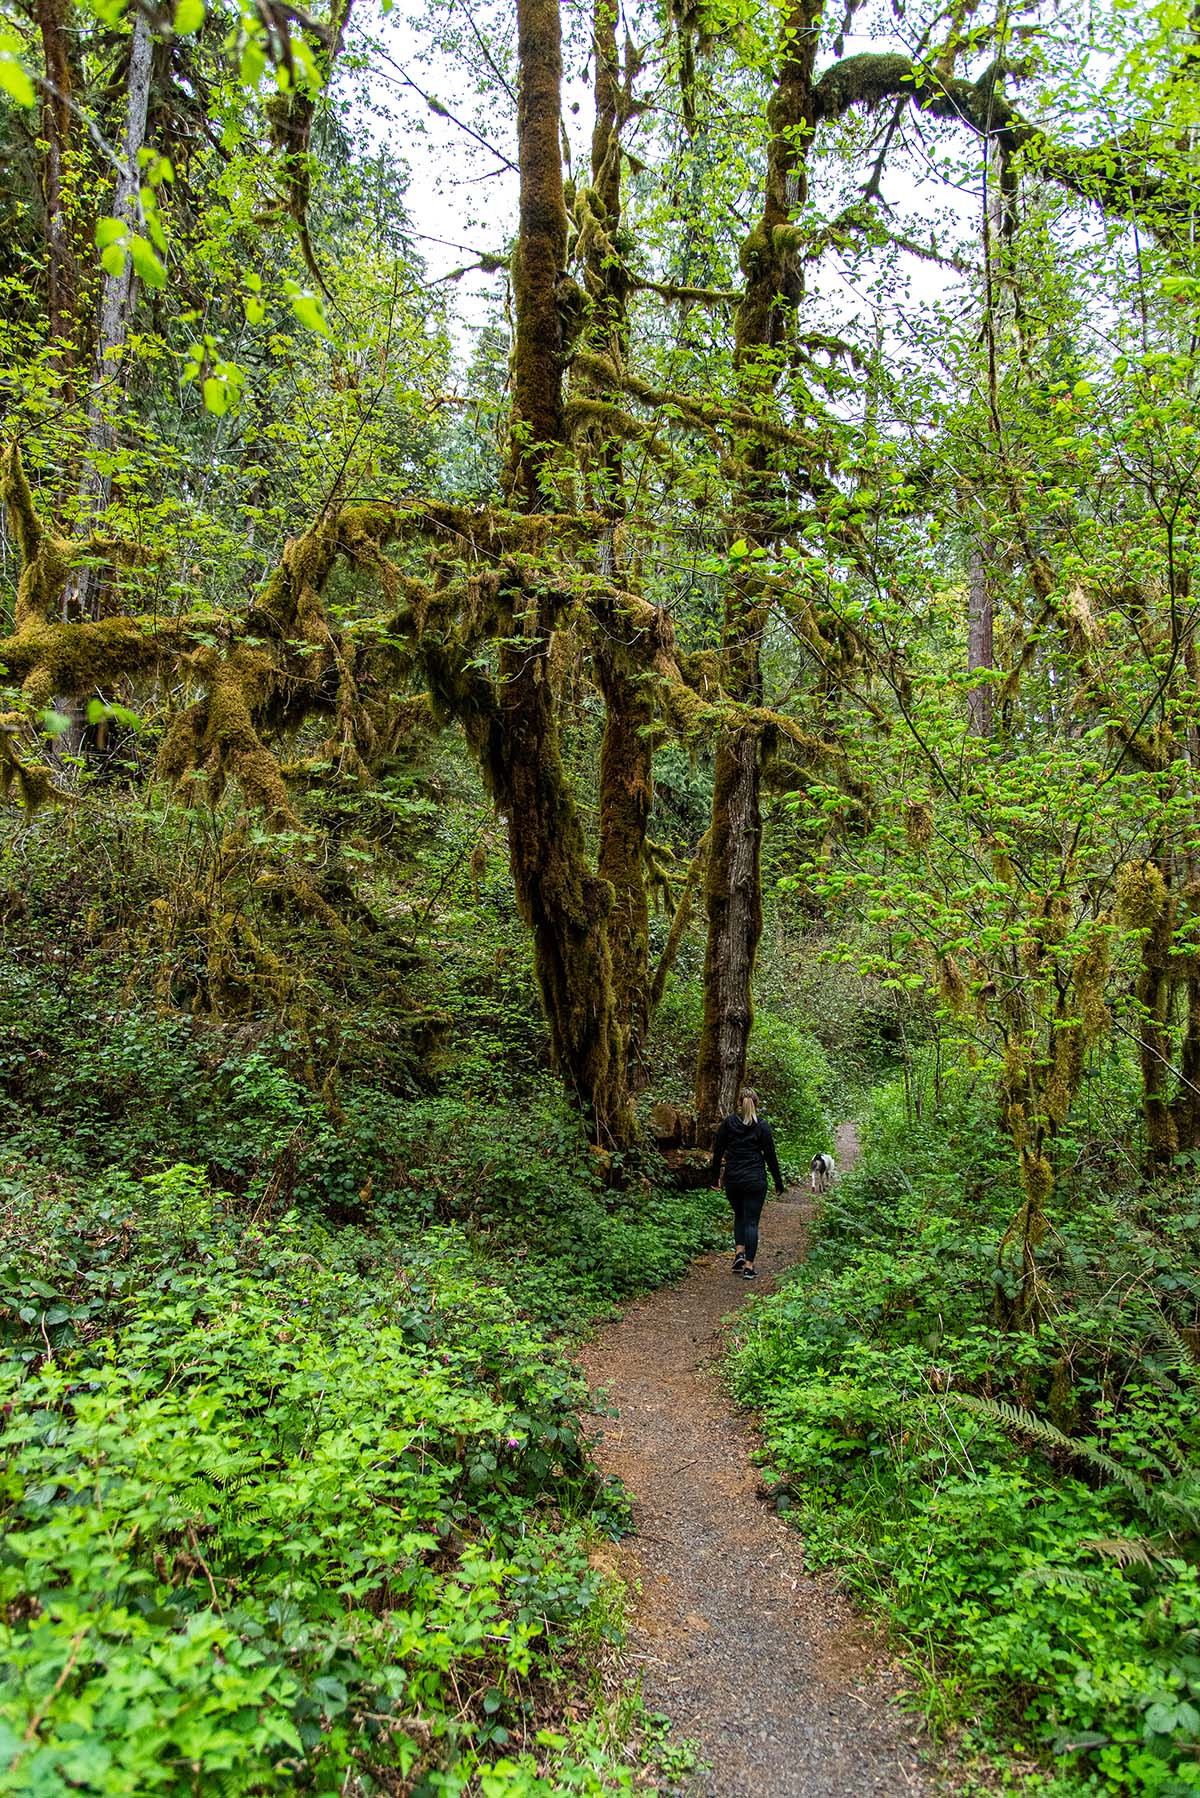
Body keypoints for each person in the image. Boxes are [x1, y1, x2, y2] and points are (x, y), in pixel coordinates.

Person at [709, 1086, 785, 1278]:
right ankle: (749, 1267)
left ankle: (739, 1252)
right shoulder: (762, 1126)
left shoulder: (728, 1124)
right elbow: (770, 1156)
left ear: (739, 1104)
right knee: (751, 1222)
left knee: (739, 1215)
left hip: (733, 1178)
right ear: (756, 1104)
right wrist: (778, 1181)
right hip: (755, 1179)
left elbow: (717, 1152)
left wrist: (714, 1177)